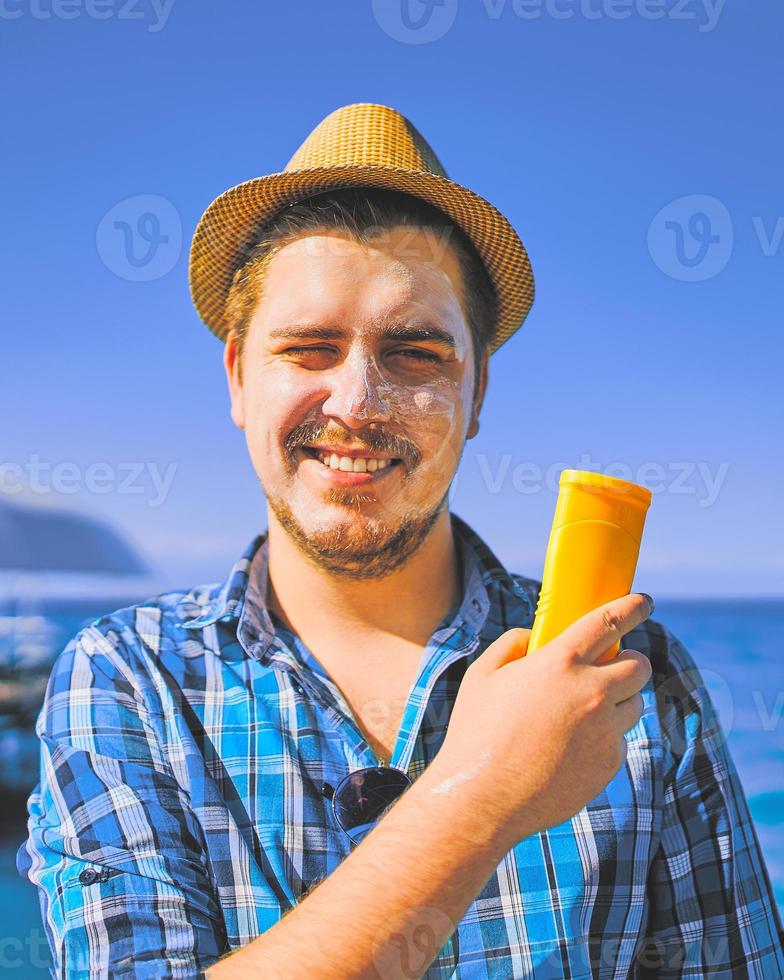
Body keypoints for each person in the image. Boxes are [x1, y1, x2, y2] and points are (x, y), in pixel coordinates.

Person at [18, 103, 784, 979]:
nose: (359, 402)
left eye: (416, 352)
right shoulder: (129, 681)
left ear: (480, 388)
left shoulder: (637, 677)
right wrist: (482, 796)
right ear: (237, 376)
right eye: (308, 348)